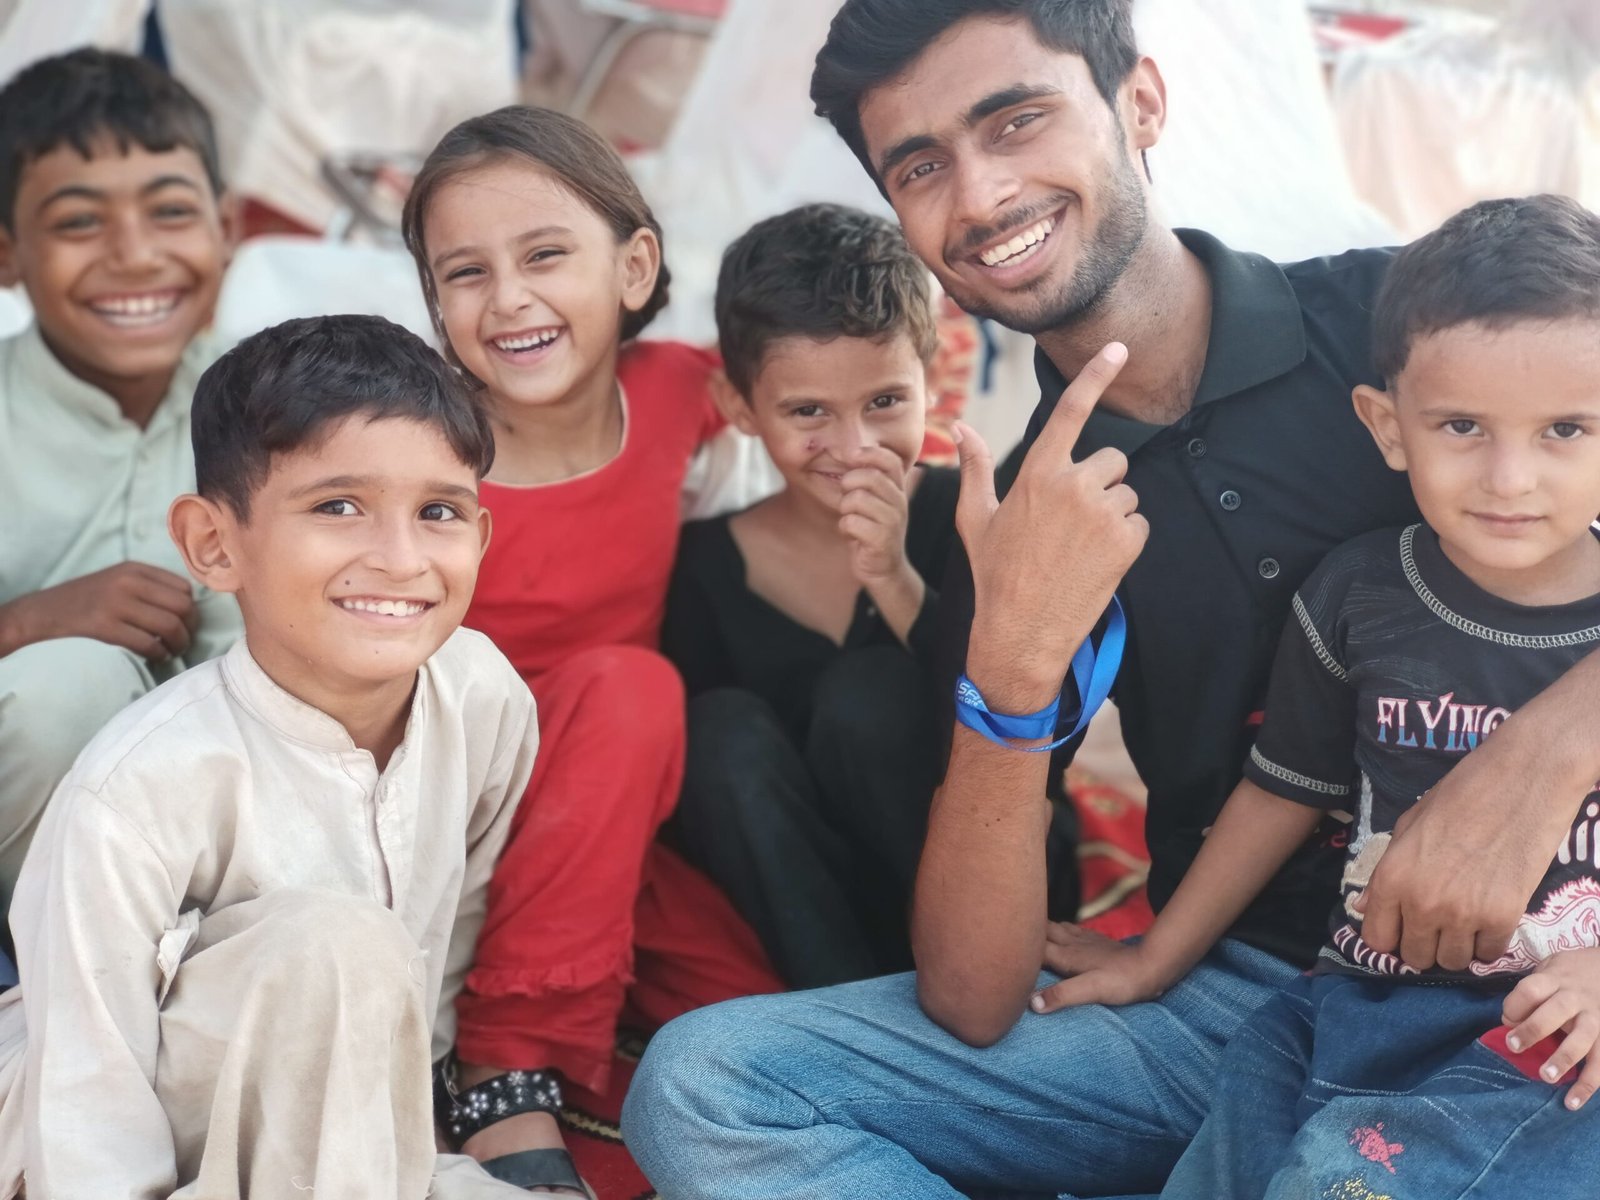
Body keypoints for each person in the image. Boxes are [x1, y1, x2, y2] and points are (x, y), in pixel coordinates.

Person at [622, 4, 1600, 1196]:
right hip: (1236, 1003)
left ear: (1141, 103)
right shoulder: (1017, 518)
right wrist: (1013, 655)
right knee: (704, 1084)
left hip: (1552, 986)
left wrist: (1542, 755)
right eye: (920, 167)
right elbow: (972, 997)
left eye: (1015, 121)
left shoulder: (1411, 330)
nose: (980, 196)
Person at [1050, 193, 1600, 1197]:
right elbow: (1279, 792)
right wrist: (1155, 958)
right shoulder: (1358, 593)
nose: (1509, 477)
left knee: (1333, 1180)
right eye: (1462, 426)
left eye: (1564, 429)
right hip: (1349, 1004)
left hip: (1549, 1035)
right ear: (1387, 428)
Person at [0, 313, 559, 1199]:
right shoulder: (134, 787)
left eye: (438, 512)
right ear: (214, 545)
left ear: (481, 538)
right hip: (98, 1137)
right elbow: (86, 1093)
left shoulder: (481, 694)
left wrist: (403, 1129)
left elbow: (448, 934)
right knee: (335, 944)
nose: (401, 559)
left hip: (348, 1134)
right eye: (338, 507)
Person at [399, 104, 782, 1183]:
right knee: (631, 687)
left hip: (606, 817)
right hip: (447, 807)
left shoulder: (680, 395)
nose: (509, 299)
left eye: (545, 255)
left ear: (633, 265)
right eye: (465, 273)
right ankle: (504, 1060)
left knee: (766, 1027)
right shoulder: (420, 448)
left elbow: (797, 438)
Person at [664, 203, 959, 988]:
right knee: (715, 729)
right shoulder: (705, 566)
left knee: (869, 693)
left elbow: (1023, 718)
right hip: (803, 922)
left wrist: (894, 578)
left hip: (977, 886)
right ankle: (844, 1015)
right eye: (808, 412)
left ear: (932, 381)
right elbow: (717, 801)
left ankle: (951, 990)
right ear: (740, 409)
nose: (854, 448)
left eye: (885, 402)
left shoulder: (968, 516)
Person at [0, 48, 240, 907]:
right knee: (68, 686)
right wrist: (26, 623)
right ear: (7, 253)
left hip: (241, 845)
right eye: (78, 223)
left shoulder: (285, 409)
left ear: (227, 228)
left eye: (170, 212)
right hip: (35, 885)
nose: (135, 255)